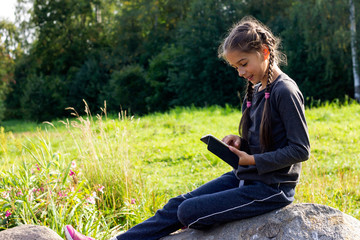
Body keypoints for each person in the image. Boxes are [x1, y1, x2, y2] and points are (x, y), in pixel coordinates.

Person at [64, 16, 310, 240]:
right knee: (176, 204)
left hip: (272, 189)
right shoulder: (257, 89)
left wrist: (253, 160)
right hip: (247, 177)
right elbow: (268, 139)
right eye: (236, 67)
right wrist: (240, 143)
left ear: (265, 52)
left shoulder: (285, 91)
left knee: (188, 211)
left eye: (244, 64)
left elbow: (300, 150)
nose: (241, 72)